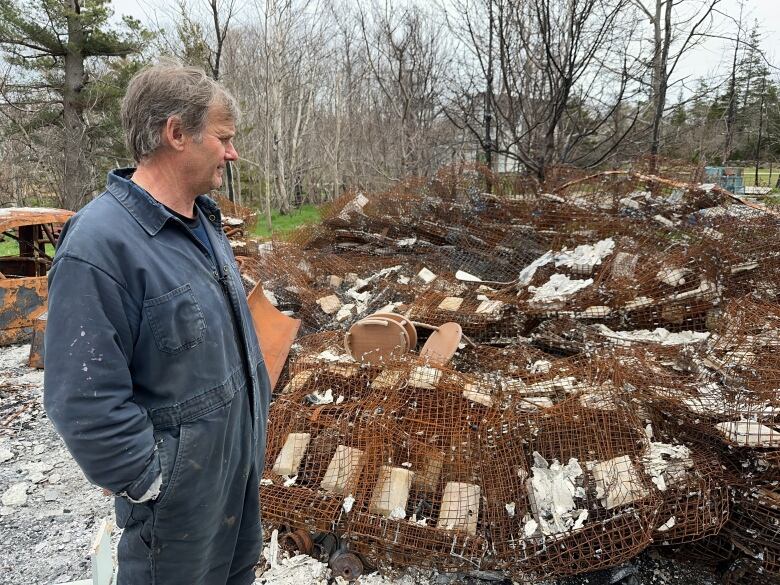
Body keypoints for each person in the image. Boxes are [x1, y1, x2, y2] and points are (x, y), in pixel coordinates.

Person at [43, 63, 270, 585]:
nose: (232, 153)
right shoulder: (100, 244)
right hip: (174, 512)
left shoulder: (202, 224)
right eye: (223, 138)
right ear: (175, 133)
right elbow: (81, 398)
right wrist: (150, 481)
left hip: (233, 486)